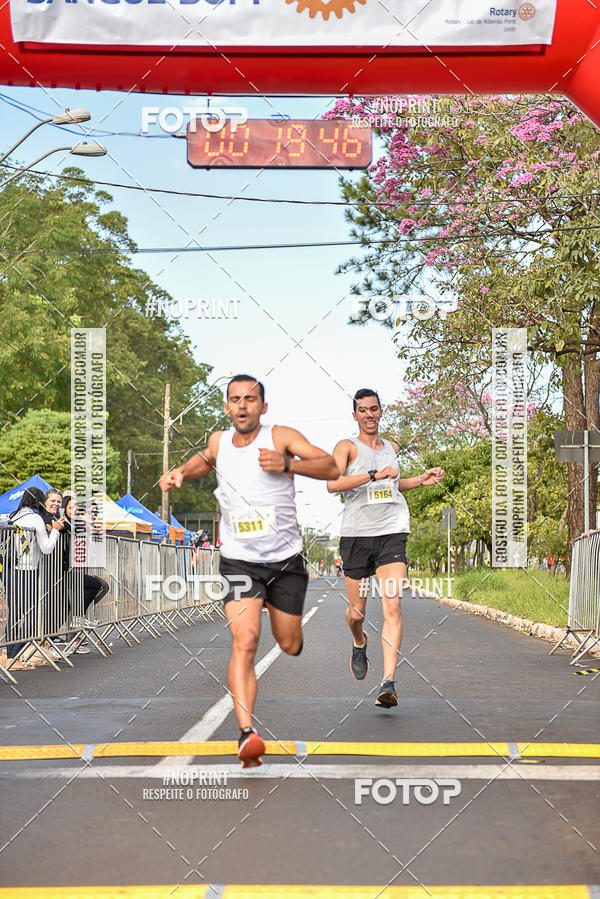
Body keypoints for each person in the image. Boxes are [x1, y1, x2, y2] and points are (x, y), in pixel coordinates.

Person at [160, 374, 339, 767]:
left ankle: (281, 619)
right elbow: (204, 461)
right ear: (227, 406)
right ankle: (246, 734)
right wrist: (180, 472)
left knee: (289, 643)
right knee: (244, 641)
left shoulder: (281, 437)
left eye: (251, 399)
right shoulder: (219, 442)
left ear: (263, 406)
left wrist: (289, 463)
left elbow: (330, 467)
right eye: (235, 399)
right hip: (240, 560)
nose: (242, 405)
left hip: (285, 560)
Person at [327, 388, 444, 709]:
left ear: (381, 412)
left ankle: (388, 683)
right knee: (357, 613)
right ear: (355, 415)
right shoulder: (346, 447)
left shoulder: (391, 447)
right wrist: (373, 474)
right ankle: (358, 639)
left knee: (392, 605)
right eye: (362, 410)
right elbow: (332, 484)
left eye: (374, 409)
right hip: (356, 536)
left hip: (392, 531)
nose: (369, 415)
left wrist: (420, 480)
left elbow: (393, 484)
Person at [2, 487, 65, 670]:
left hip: (8, 570)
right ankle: (13, 658)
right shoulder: (36, 518)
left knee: (13, 616)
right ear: (39, 502)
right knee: (32, 619)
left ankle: (10, 657)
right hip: (26, 571)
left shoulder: (14, 515)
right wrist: (55, 531)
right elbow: (46, 548)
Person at [57, 495, 109, 654]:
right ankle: (71, 636)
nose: (74, 511)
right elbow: (72, 529)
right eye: (70, 507)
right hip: (63, 571)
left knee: (98, 589)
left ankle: (76, 632)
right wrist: (90, 528)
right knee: (97, 587)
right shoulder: (64, 523)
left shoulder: (78, 523)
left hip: (77, 569)